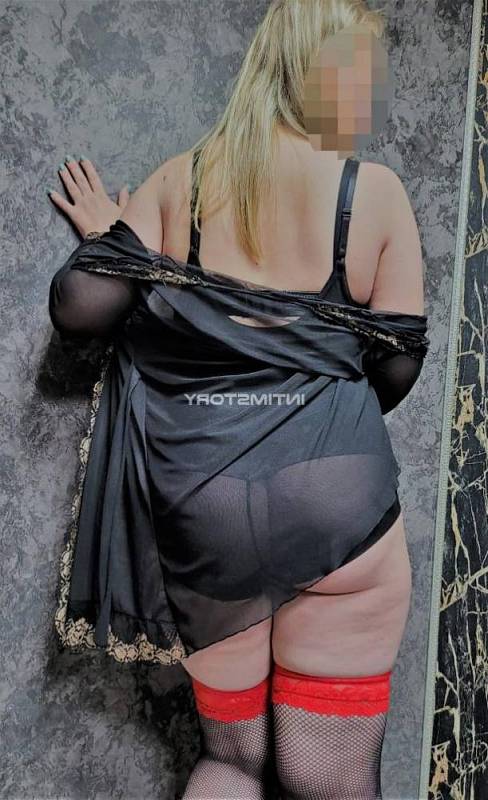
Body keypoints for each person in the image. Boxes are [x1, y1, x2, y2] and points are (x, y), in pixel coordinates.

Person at [47, 2, 429, 798]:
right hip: (338, 500)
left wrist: (118, 243)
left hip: (208, 509)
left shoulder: (185, 179)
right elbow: (395, 371)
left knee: (231, 760)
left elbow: (81, 310)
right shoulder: (375, 194)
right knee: (330, 779)